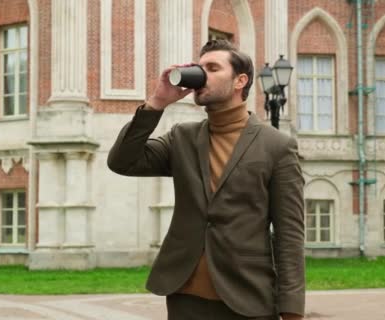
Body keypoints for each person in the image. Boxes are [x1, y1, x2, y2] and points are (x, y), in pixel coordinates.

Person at [108, 40, 305, 320]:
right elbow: (122, 162)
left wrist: (292, 310)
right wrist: (157, 102)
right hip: (185, 296)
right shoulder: (182, 137)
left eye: (212, 68)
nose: (202, 75)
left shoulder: (277, 146)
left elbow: (289, 235)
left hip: (248, 298)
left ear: (240, 81)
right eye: (199, 68)